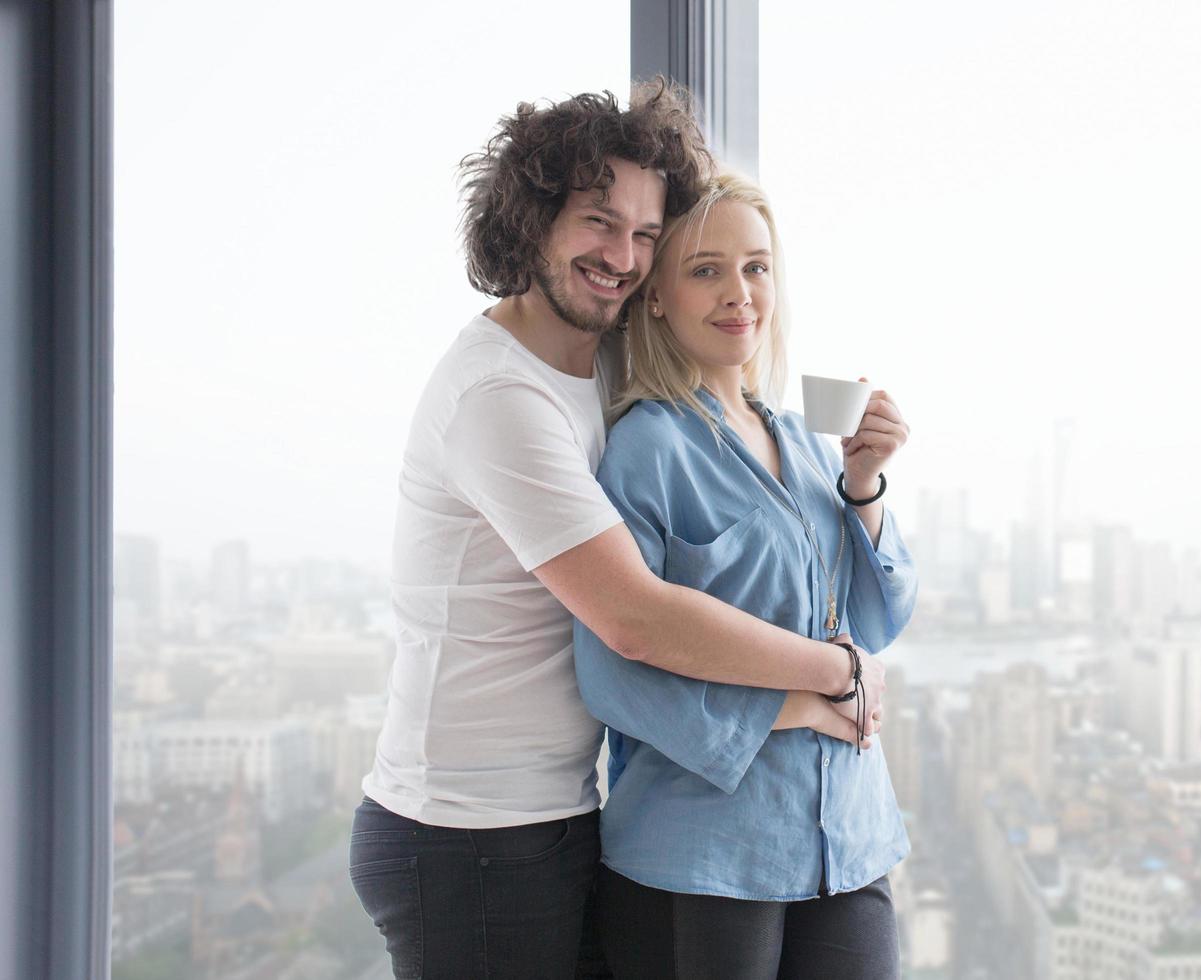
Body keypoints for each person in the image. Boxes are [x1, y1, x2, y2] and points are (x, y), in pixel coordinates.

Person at [349, 82, 884, 980]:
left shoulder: (596, 371)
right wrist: (839, 671)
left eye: (646, 233)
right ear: (530, 221)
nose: (624, 255)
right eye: (599, 221)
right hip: (465, 833)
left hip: (555, 813)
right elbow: (634, 618)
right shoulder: (501, 395)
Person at [573, 172, 915, 979]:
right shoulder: (646, 452)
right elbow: (611, 671)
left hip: (850, 834)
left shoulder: (803, 443)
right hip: (702, 855)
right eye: (705, 270)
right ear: (655, 296)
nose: (739, 293)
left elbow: (875, 621)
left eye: (756, 267)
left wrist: (861, 485)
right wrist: (790, 708)